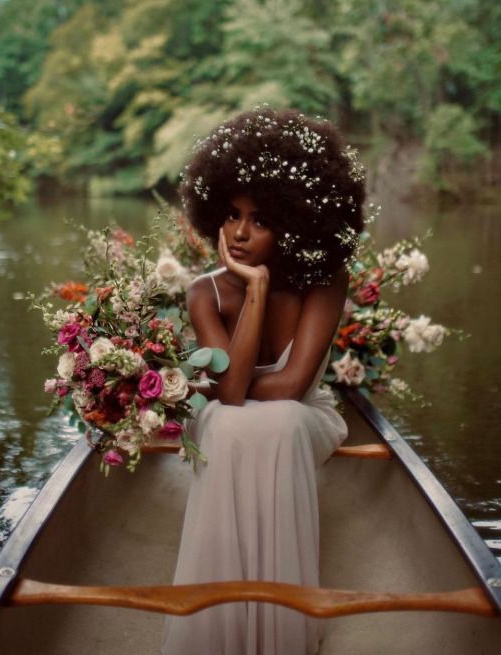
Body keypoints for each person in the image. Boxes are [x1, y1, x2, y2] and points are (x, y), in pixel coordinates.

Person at [161, 106, 366, 655]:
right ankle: (221, 625)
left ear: (295, 221)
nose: (240, 233)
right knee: (227, 425)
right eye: (231, 215)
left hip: (305, 413)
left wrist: (229, 380)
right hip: (237, 414)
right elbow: (228, 395)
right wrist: (253, 290)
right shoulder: (204, 292)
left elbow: (294, 386)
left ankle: (280, 626)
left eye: (260, 219)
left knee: (271, 421)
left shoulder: (325, 280)